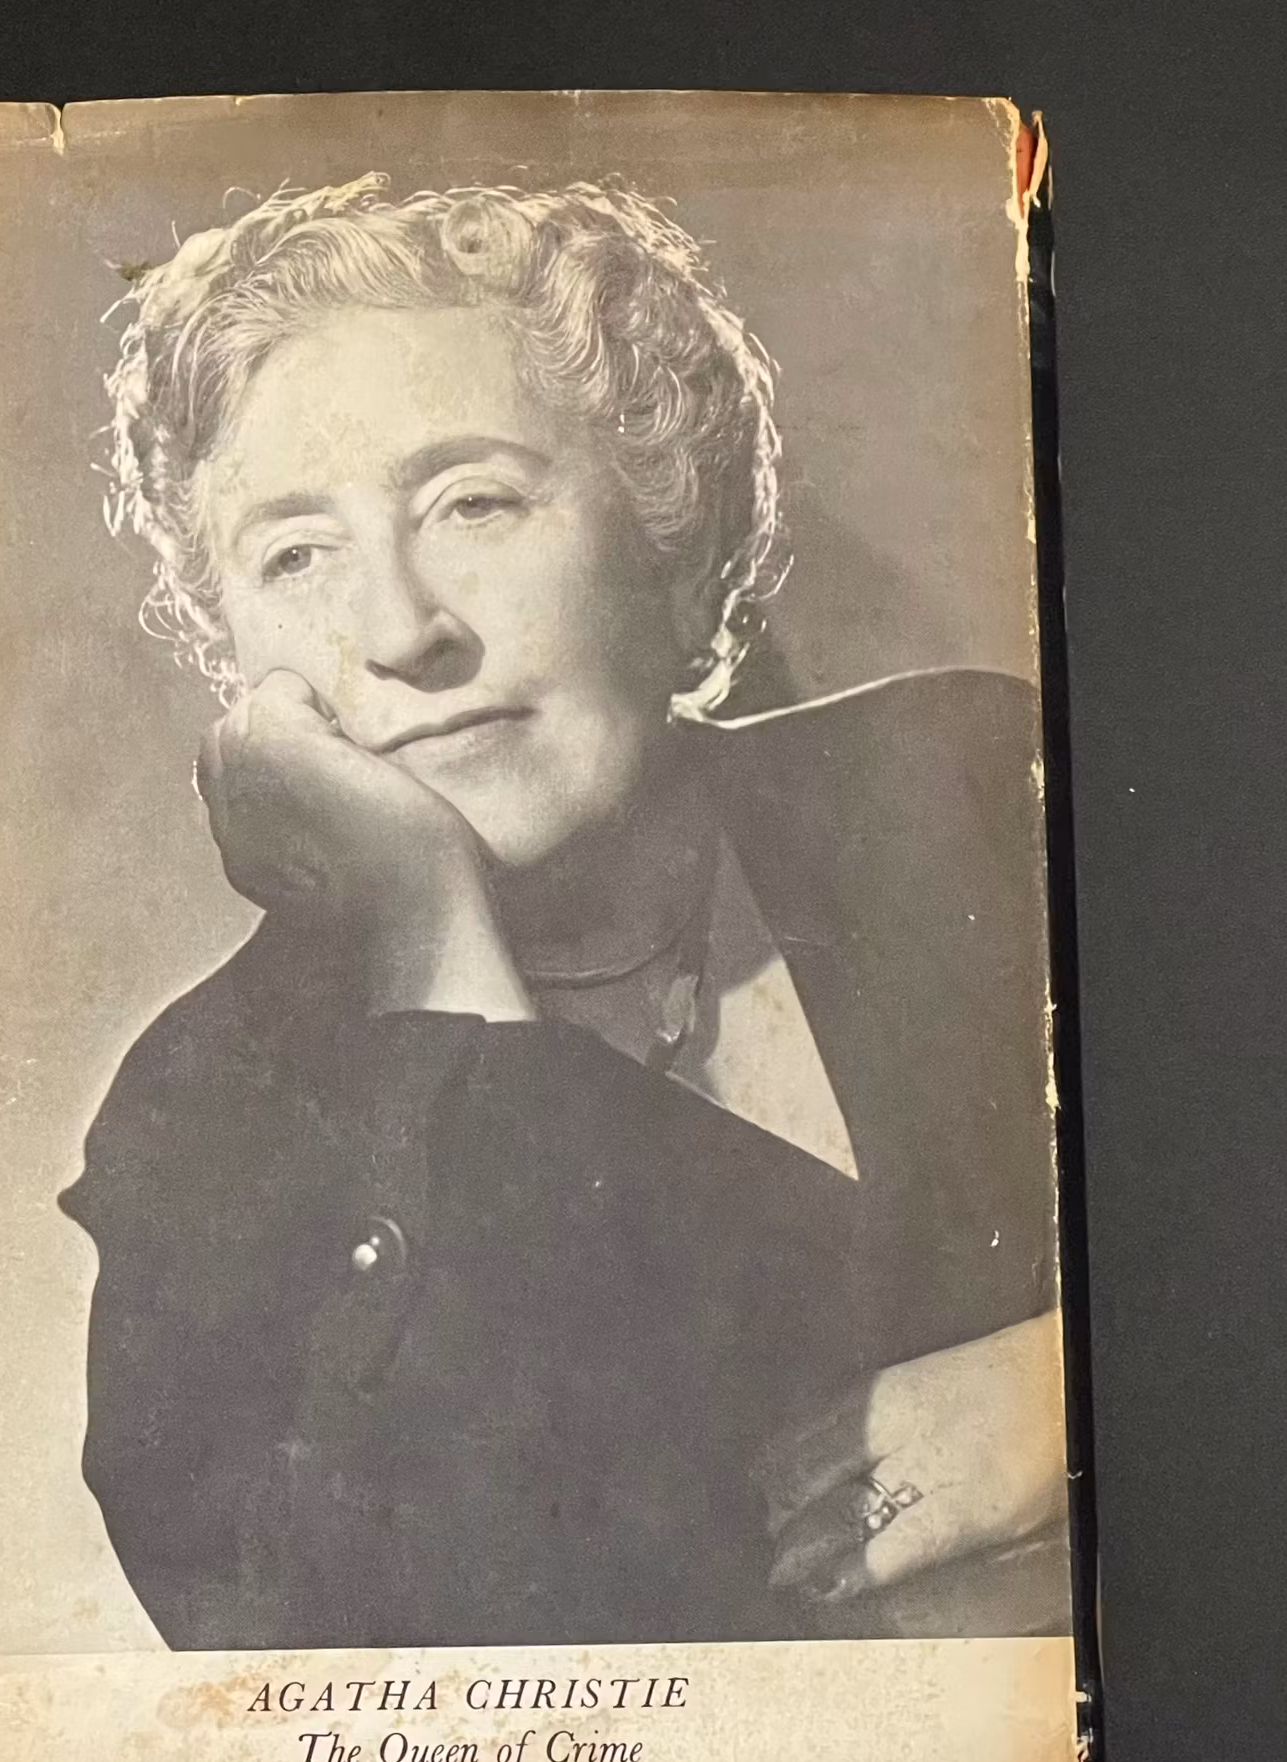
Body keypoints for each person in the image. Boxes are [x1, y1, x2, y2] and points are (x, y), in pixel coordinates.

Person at [62, 176, 1069, 1650]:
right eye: (296, 556)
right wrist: (433, 937)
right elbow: (447, 1691)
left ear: (675, 542)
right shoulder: (205, 1119)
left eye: (472, 503)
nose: (401, 632)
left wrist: (1063, 1401)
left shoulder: (971, 790)